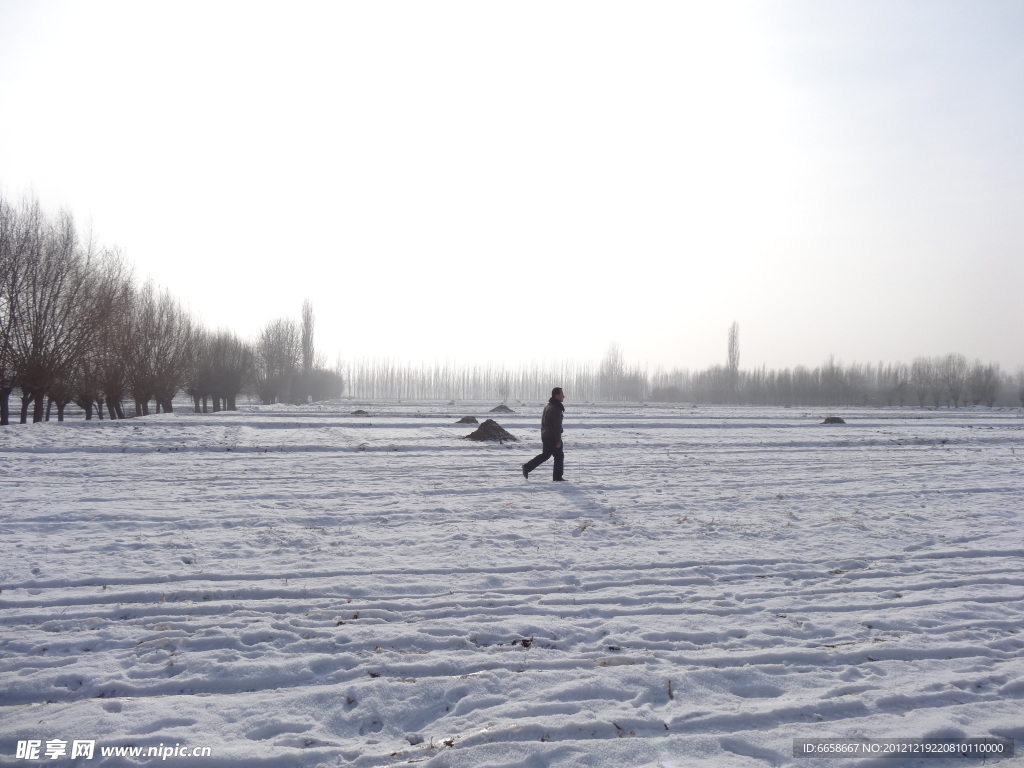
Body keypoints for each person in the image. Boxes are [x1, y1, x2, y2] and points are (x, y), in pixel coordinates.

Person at [522, 387, 566, 481]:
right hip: (552, 437)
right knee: (559, 456)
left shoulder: (548, 406)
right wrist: (558, 440)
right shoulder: (556, 408)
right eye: (562, 394)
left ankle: (527, 467)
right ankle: (557, 477)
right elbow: (556, 426)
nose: (564, 396)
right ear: (556, 395)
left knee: (545, 455)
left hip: (545, 435)